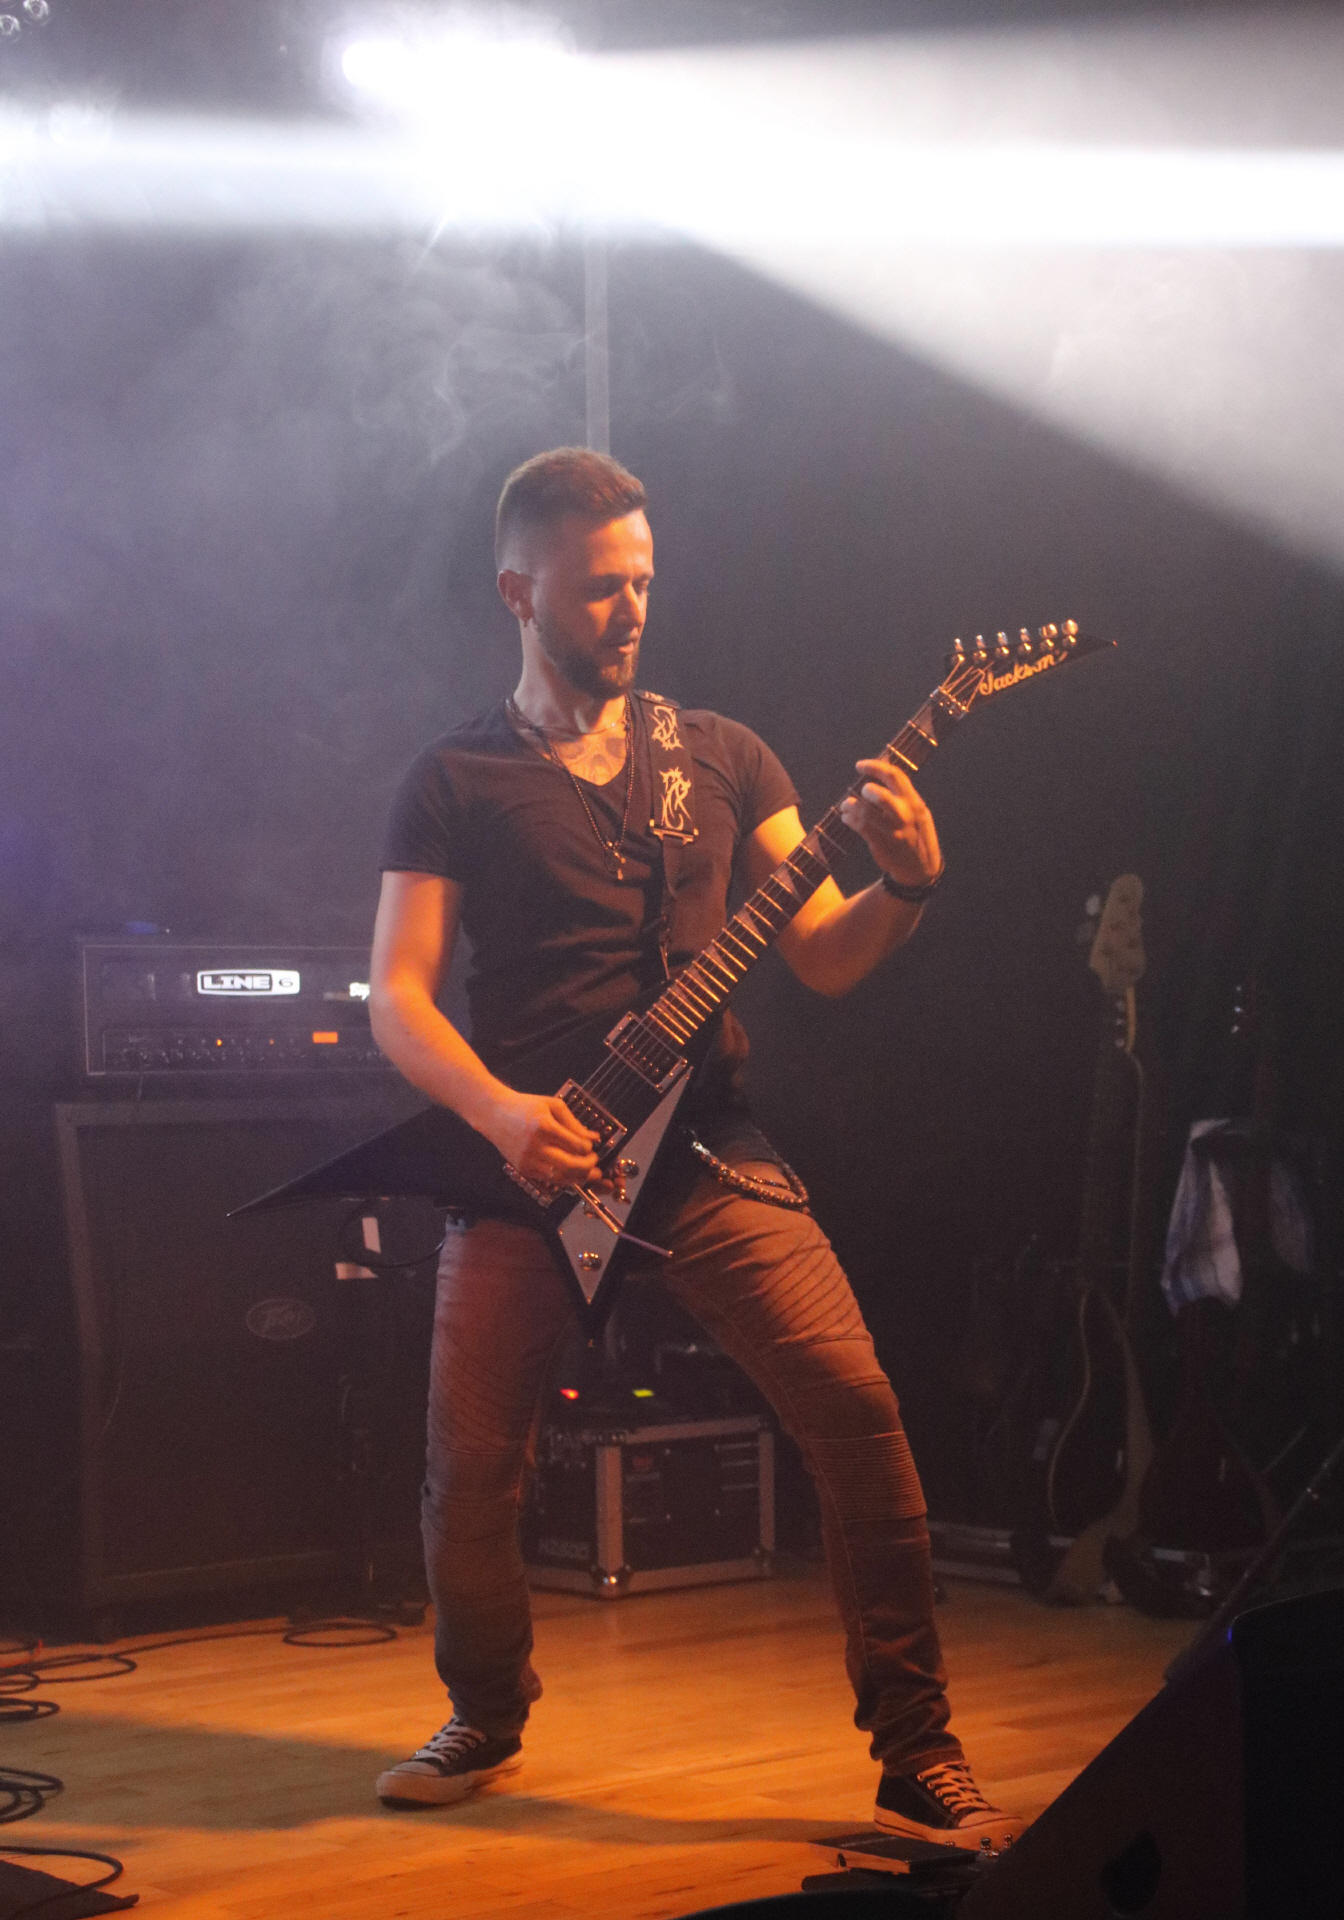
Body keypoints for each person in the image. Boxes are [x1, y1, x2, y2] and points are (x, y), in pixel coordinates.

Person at [368, 447, 1023, 1849]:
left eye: (646, 583)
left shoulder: (722, 757)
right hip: (533, 1162)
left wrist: (908, 883)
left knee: (857, 1414)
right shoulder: (455, 777)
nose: (633, 611)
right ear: (518, 591)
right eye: (601, 588)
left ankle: (918, 1750)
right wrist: (503, 1115)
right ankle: (484, 1712)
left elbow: (824, 954)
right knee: (468, 1474)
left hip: (707, 1150)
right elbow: (397, 998)